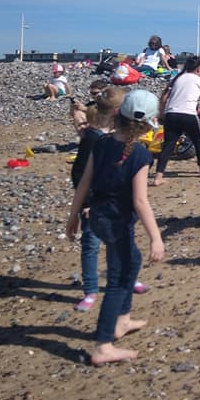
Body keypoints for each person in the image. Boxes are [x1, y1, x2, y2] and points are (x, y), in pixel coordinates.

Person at [66, 89, 165, 366]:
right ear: (147, 125)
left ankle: (122, 319)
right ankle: (103, 345)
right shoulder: (140, 155)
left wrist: (73, 216)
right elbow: (140, 201)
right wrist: (156, 237)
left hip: (97, 216)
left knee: (132, 260)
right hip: (116, 222)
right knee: (118, 281)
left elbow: (84, 183)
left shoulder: (101, 142)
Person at [70, 86, 148, 311]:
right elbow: (79, 174)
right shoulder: (94, 138)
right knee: (91, 245)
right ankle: (91, 290)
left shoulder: (119, 137)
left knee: (123, 245)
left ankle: (128, 278)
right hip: (95, 205)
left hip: (118, 205)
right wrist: (85, 205)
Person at [153, 55, 200, 185]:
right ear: (199, 68)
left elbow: (163, 98)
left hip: (171, 114)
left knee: (168, 145)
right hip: (188, 115)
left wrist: (161, 114)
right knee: (198, 141)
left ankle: (158, 177)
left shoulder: (176, 78)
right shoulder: (199, 81)